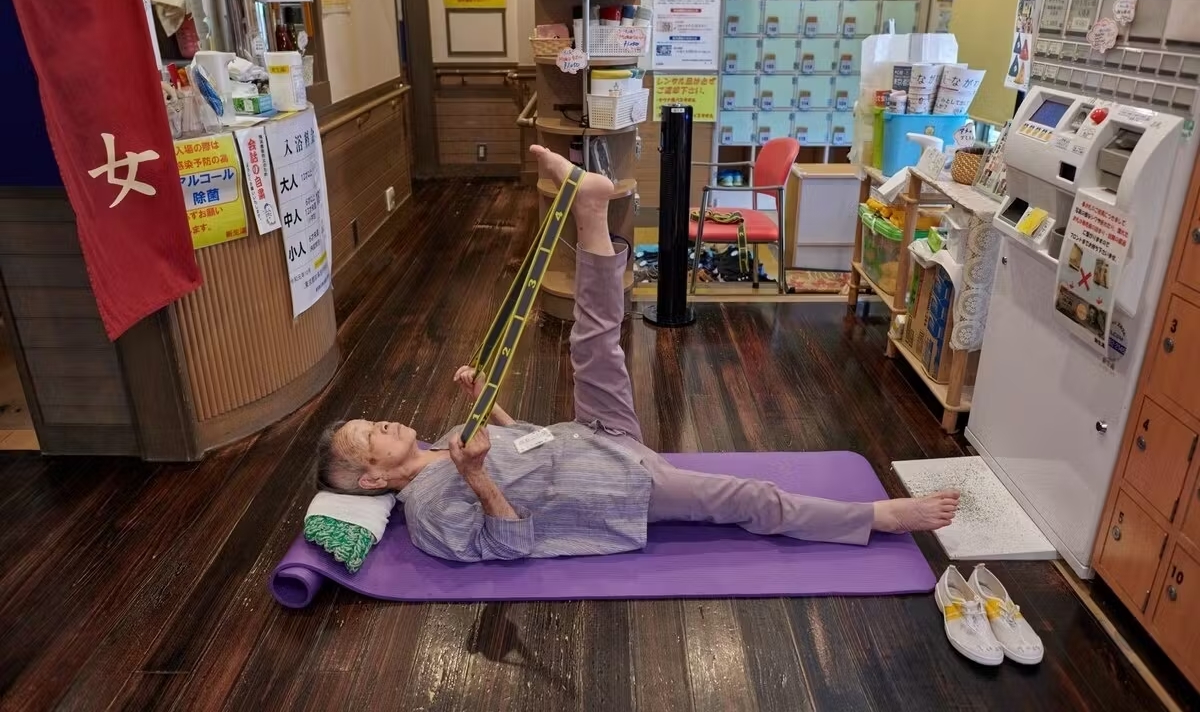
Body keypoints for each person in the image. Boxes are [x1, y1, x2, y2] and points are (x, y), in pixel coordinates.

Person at [315, 144, 960, 562]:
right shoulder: (428, 512)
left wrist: (489, 403)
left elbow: (526, 442)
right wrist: (477, 477)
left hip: (589, 435)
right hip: (614, 484)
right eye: (371, 435)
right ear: (372, 479)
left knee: (592, 339)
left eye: (371, 420)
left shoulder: (445, 440)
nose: (385, 423)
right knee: (748, 498)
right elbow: (509, 544)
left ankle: (591, 209)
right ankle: (875, 517)